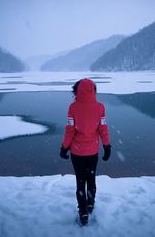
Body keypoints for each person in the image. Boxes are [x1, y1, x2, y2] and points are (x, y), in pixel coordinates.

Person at [60, 78, 111, 226]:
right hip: (92, 152)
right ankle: (90, 204)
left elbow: (70, 130)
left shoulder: (73, 108)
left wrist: (64, 147)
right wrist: (107, 146)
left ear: (77, 91)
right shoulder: (100, 107)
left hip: (77, 153)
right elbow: (103, 128)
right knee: (91, 178)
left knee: (80, 181)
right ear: (93, 91)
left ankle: (82, 211)